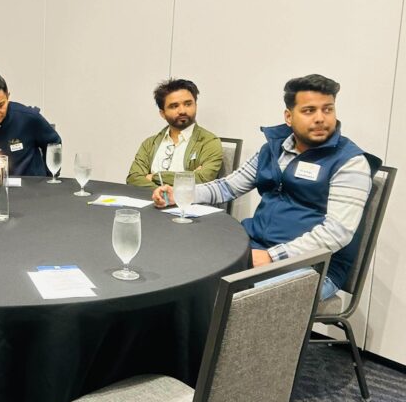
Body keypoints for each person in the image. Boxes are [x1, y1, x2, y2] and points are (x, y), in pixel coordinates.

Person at [152, 74, 381, 301]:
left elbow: (336, 232)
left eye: (327, 109)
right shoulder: (273, 149)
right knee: (185, 268)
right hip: (254, 247)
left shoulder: (350, 162)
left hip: (313, 267)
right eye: (309, 110)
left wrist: (273, 257)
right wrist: (181, 193)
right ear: (289, 117)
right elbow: (228, 187)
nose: (320, 118)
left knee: (222, 296)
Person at [127, 78, 222, 187]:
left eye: (188, 104)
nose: (182, 111)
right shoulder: (149, 144)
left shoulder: (209, 142)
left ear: (196, 106)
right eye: (174, 106)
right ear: (162, 113)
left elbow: (201, 179)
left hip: (187, 199)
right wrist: (165, 191)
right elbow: (133, 179)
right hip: (149, 198)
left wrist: (155, 177)